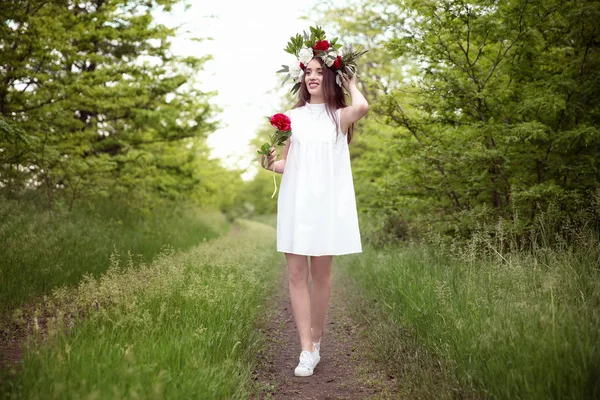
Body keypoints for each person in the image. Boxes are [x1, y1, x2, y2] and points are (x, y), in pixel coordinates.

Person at [260, 35, 369, 377]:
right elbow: (286, 165)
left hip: (326, 205)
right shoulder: (292, 119)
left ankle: (316, 340)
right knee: (296, 275)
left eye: (319, 71)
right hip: (296, 202)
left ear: (330, 77)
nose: (312, 76)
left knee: (321, 277)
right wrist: (268, 163)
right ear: (301, 78)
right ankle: (305, 349)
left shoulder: (339, 117)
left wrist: (349, 79)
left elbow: (363, 107)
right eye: (308, 71)